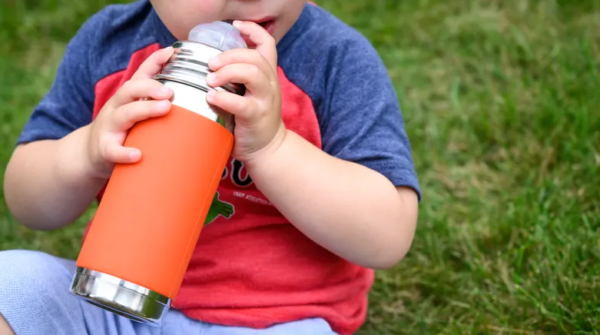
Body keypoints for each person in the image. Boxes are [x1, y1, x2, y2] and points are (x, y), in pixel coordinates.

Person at [0, 0, 420, 334]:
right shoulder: (109, 46)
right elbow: (28, 204)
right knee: (12, 281)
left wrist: (273, 148)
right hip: (112, 307)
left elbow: (386, 237)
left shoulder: (335, 60)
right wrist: (87, 150)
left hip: (276, 319)